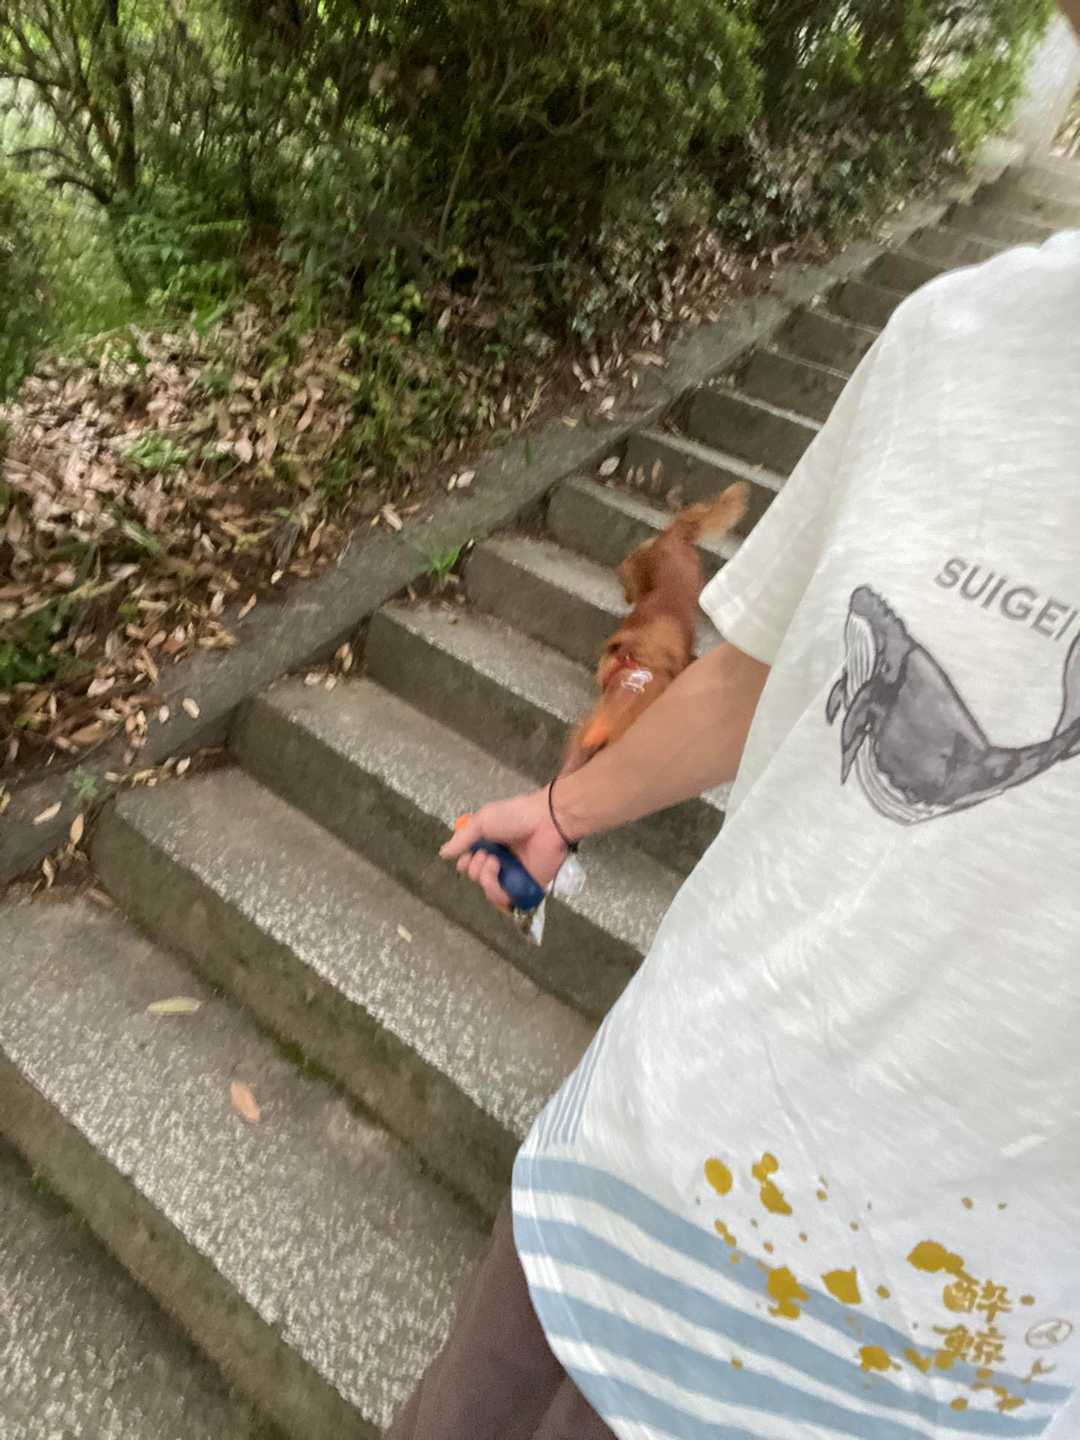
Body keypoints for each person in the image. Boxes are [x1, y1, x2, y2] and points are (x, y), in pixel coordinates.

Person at [388, 15, 1080, 1438]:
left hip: (903, 1360)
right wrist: (566, 810)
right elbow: (765, 671)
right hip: (635, 1148)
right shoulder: (954, 336)